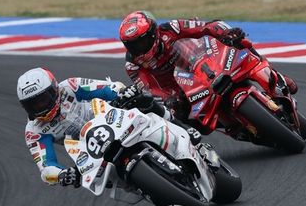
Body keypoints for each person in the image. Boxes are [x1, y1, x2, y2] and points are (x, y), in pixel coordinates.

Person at [18, 67, 190, 188]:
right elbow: (46, 168)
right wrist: (63, 175)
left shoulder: (70, 87)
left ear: (54, 89)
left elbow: (107, 88)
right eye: (32, 104)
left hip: (111, 118)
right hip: (91, 152)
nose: (40, 107)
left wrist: (122, 93)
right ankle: (149, 189)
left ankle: (180, 126)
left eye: (42, 100)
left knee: (141, 99)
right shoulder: (34, 131)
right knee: (104, 180)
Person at [118, 11, 298, 121]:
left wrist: (226, 33)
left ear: (152, 33)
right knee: (175, 118)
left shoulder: (171, 28)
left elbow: (205, 27)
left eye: (140, 42)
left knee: (240, 42)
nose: (137, 48)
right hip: (181, 93)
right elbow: (149, 90)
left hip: (202, 63)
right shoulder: (133, 65)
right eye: (132, 45)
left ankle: (274, 74)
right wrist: (169, 99)